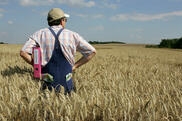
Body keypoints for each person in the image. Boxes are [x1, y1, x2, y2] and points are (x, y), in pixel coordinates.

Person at [20, 8, 96, 94]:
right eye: (65, 20)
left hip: (46, 82)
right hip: (67, 83)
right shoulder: (72, 35)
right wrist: (74, 66)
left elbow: (23, 52)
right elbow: (92, 51)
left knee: (45, 105)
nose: (65, 22)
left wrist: (37, 66)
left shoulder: (39, 34)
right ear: (61, 21)